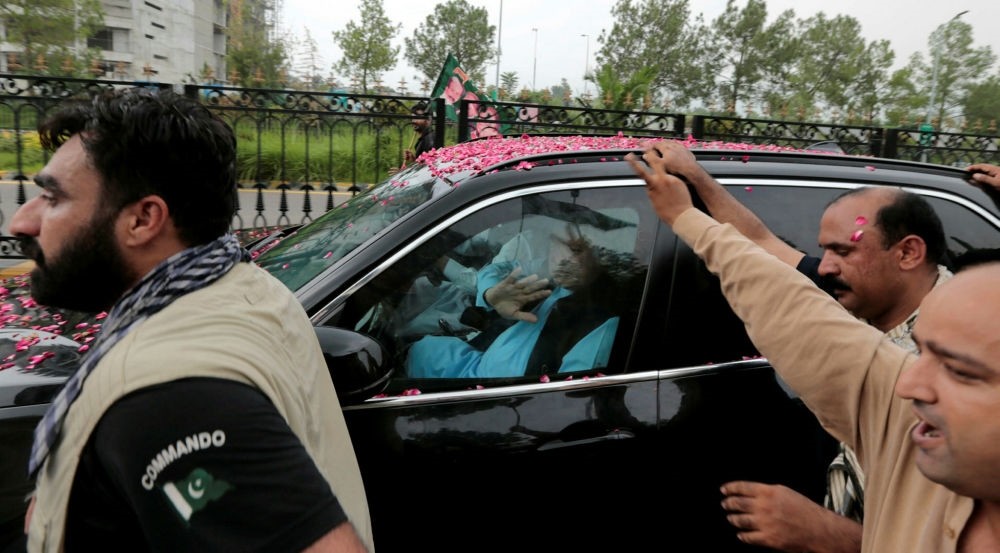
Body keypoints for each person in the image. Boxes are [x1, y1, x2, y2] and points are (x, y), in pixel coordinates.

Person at [12, 88, 373, 552]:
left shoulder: (164, 392)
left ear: (144, 219)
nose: (21, 222)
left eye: (51, 198)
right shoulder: (242, 285)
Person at [628, 146, 1000, 552]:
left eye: (956, 370)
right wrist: (696, 186)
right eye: (825, 250)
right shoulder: (856, 297)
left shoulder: (954, 361)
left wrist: (832, 535)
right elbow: (761, 247)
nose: (823, 266)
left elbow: (921, 530)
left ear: (908, 252)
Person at [406, 225, 640, 379]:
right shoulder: (548, 275)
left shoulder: (603, 324)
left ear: (600, 256)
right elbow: (496, 270)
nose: (560, 258)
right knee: (420, 348)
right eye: (556, 244)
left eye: (576, 250)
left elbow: (567, 399)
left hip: (495, 396)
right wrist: (490, 294)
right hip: (478, 361)